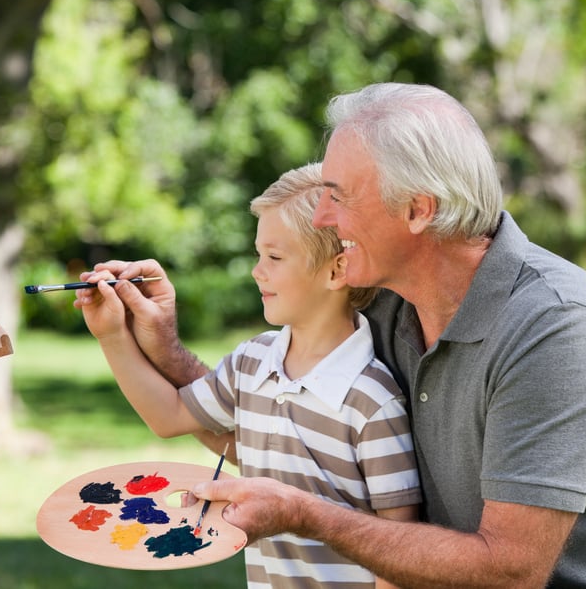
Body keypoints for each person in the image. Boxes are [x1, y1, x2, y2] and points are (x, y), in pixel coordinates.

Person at [83, 83, 586, 588]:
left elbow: (510, 570)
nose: (324, 219)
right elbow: (280, 423)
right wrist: (160, 343)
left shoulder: (554, 325)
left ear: (418, 210)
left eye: (339, 195)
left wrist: (305, 515)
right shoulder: (381, 303)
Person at [75, 163, 422, 589]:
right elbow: (168, 416)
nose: (258, 271)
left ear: (337, 270)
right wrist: (111, 333)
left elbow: (401, 553)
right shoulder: (253, 361)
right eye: (259, 254)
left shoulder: (372, 402)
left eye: (274, 258)